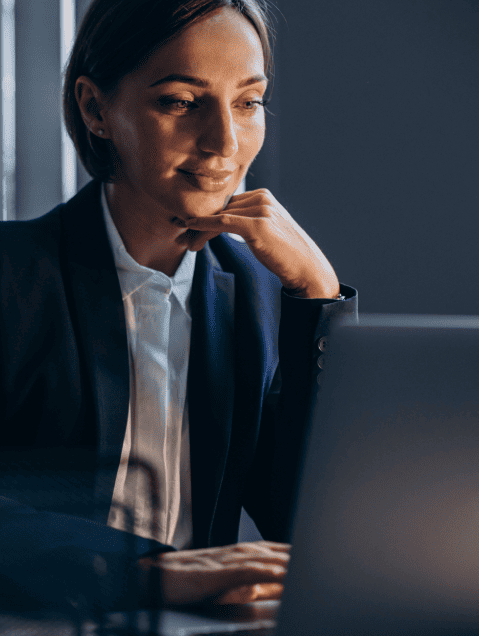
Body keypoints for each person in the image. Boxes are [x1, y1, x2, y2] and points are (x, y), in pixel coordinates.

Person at [0, 0, 357, 615]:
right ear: (96, 109)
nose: (225, 141)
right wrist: (145, 573)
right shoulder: (14, 274)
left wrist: (318, 297)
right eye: (181, 101)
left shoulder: (257, 291)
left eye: (248, 102)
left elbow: (316, 517)